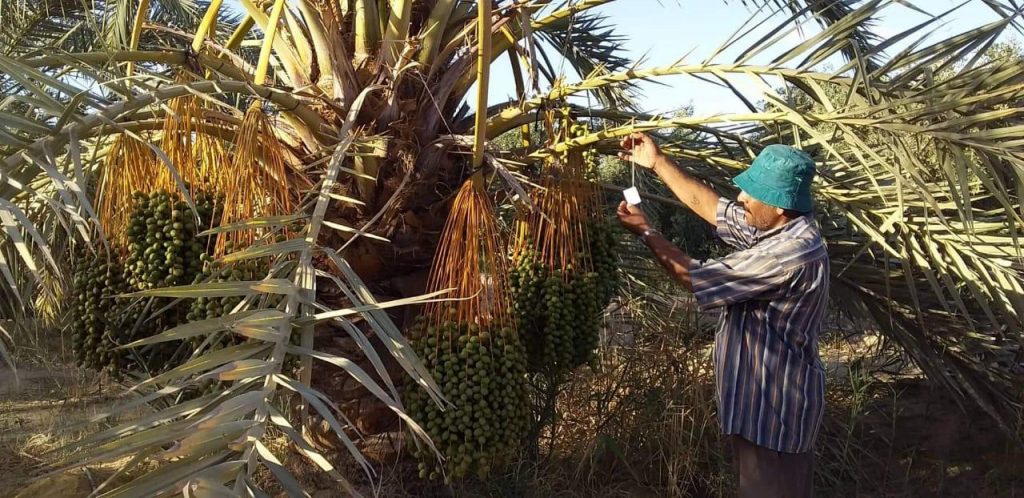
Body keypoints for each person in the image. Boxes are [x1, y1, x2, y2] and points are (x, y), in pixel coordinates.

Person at [616, 133, 829, 498]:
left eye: (752, 193)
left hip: (772, 415)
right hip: (764, 411)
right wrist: (657, 162)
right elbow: (712, 207)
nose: (741, 198)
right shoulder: (781, 228)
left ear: (780, 206)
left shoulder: (787, 253)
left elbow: (696, 277)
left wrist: (646, 232)